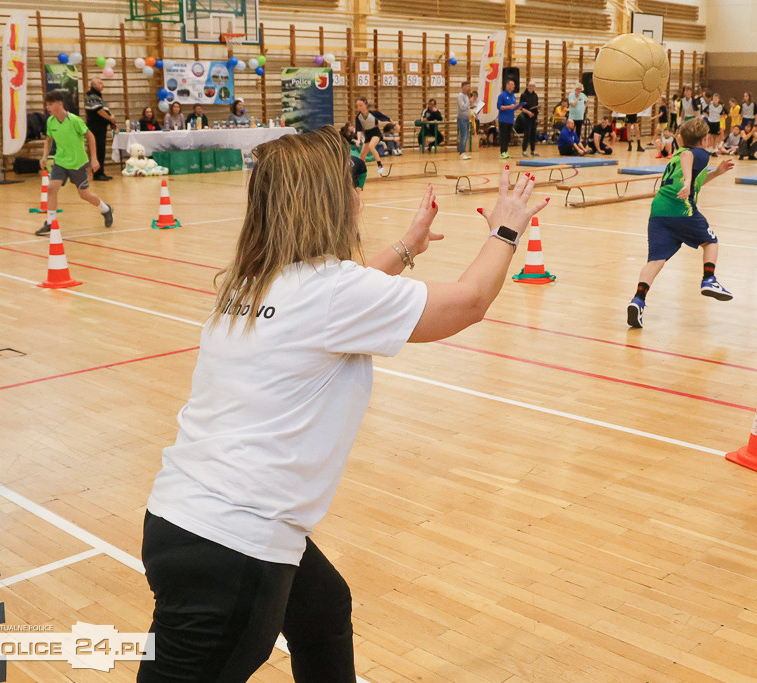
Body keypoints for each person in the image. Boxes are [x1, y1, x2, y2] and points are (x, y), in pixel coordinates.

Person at [138, 127, 550, 682]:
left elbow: (335, 305)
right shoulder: (331, 293)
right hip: (236, 546)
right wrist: (506, 227)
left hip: (181, 519)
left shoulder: (253, 281)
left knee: (322, 609)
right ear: (327, 200)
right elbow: (469, 302)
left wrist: (406, 248)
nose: (360, 194)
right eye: (351, 184)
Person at [626, 118, 735, 329]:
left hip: (659, 210)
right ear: (704, 139)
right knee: (711, 242)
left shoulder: (676, 154)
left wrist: (717, 172)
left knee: (656, 260)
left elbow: (695, 177)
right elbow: (689, 158)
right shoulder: (698, 153)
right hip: (681, 208)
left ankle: (638, 300)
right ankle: (709, 279)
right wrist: (686, 182)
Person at [35, 91, 113, 236]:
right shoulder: (50, 121)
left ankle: (106, 209)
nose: (48, 108)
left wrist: (94, 159)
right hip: (60, 162)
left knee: (84, 194)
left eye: (50, 104)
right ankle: (51, 223)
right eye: (46, 105)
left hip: (78, 163)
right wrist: (44, 156)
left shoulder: (74, 120)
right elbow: (48, 139)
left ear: (59, 104)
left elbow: (91, 137)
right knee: (51, 188)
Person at [84, 77, 115, 181]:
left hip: (101, 127)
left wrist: (111, 120)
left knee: (101, 150)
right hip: (95, 127)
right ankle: (97, 174)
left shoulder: (98, 95)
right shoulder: (91, 95)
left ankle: (101, 172)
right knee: (97, 150)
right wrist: (109, 118)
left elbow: (104, 110)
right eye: (100, 83)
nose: (103, 85)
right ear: (93, 85)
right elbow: (98, 110)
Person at [354, 97, 390, 175]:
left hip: (376, 133)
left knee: (371, 146)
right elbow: (358, 129)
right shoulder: (358, 117)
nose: (359, 107)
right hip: (367, 134)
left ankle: (380, 166)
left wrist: (393, 123)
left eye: (361, 105)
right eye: (358, 106)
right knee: (362, 155)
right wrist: (358, 139)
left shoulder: (372, 114)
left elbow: (384, 118)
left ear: (365, 104)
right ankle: (362, 171)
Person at [520, 80, 540, 157]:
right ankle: (524, 151)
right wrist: (528, 112)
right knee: (527, 134)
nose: (531, 87)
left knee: (533, 134)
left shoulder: (535, 95)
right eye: (530, 85)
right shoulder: (524, 95)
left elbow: (536, 105)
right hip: (527, 117)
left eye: (533, 86)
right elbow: (521, 107)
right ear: (528, 86)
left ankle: (533, 150)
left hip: (534, 116)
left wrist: (537, 109)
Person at [456, 81, 472, 160]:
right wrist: (469, 102)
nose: (469, 88)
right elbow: (462, 107)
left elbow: (467, 106)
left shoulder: (466, 96)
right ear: (463, 87)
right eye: (468, 86)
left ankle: (464, 152)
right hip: (462, 118)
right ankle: (462, 153)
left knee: (466, 136)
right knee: (464, 136)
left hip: (466, 119)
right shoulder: (460, 96)